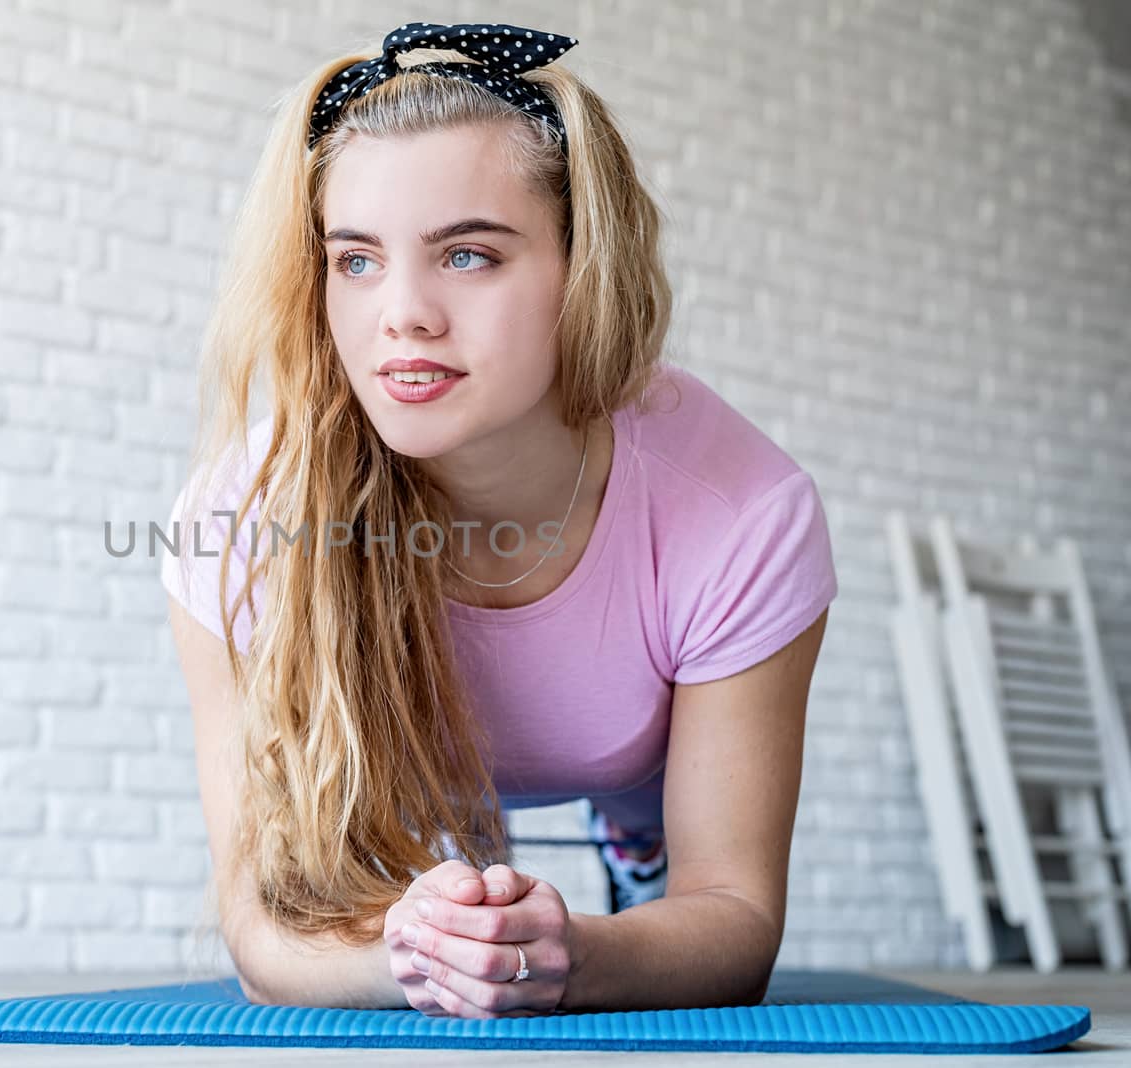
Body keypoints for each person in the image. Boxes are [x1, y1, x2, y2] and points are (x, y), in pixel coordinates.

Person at [158, 21, 836, 1018]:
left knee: (650, 837)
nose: (403, 315)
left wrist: (577, 955)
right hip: (415, 781)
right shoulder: (240, 521)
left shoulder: (742, 515)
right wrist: (428, 951)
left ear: (582, 265)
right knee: (445, 891)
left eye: (466, 256)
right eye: (355, 261)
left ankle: (630, 835)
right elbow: (263, 930)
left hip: (634, 756)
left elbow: (730, 915)